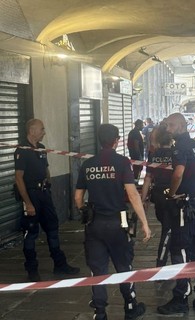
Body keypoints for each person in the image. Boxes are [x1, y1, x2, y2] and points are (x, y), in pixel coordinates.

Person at [74, 123, 151, 320]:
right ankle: (130, 306)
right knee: (123, 265)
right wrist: (144, 222)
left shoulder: (88, 164)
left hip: (94, 224)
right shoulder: (122, 162)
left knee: (97, 269)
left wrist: (84, 211)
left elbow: (77, 198)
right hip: (118, 222)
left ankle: (100, 312)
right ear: (117, 140)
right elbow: (133, 194)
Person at [157, 113, 195, 315]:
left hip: (184, 206)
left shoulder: (179, 147)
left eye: (171, 125)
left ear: (181, 125)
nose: (167, 128)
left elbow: (178, 173)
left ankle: (180, 297)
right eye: (166, 125)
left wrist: (172, 194)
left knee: (179, 249)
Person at [14, 119, 80, 282]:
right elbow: (18, 178)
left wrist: (48, 186)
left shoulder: (41, 149)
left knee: (52, 228)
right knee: (31, 233)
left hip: (44, 193)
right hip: (31, 194)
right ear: (32, 130)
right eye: (42, 129)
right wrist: (28, 203)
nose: (44, 132)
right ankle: (32, 269)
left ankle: (60, 264)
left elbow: (46, 169)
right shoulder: (22, 150)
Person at [141, 122, 173, 267]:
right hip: (173, 195)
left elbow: (147, 178)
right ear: (171, 141)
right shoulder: (175, 154)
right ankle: (161, 262)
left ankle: (166, 259)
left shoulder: (153, 156)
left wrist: (143, 199)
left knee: (167, 226)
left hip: (158, 195)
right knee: (168, 229)